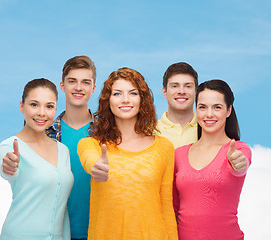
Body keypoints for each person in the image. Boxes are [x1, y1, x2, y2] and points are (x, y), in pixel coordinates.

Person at [77, 67, 178, 240]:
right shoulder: (91, 145)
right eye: (117, 94)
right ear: (107, 101)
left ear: (142, 99)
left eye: (132, 93)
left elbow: (166, 208)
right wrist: (96, 166)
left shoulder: (164, 147)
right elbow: (90, 159)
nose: (125, 100)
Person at [173, 79, 252, 240]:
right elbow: (173, 207)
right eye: (203, 107)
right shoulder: (178, 155)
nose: (209, 114)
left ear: (228, 110)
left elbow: (240, 166)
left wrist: (239, 165)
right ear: (196, 110)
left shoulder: (238, 149)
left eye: (217, 107)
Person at [0, 78, 74, 240]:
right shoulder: (9, 147)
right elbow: (8, 170)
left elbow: (62, 207)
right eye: (34, 104)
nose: (41, 112)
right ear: (21, 106)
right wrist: (9, 166)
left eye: (49, 106)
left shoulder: (63, 150)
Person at [46, 56, 96, 240]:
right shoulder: (45, 132)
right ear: (62, 85)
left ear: (93, 88)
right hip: (55, 233)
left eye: (85, 82)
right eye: (72, 81)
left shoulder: (108, 133)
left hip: (98, 232)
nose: (78, 87)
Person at [156, 62, 199, 148]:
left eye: (188, 86)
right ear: (165, 92)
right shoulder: (150, 132)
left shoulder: (207, 129)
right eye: (175, 86)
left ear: (196, 92)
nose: (181, 91)